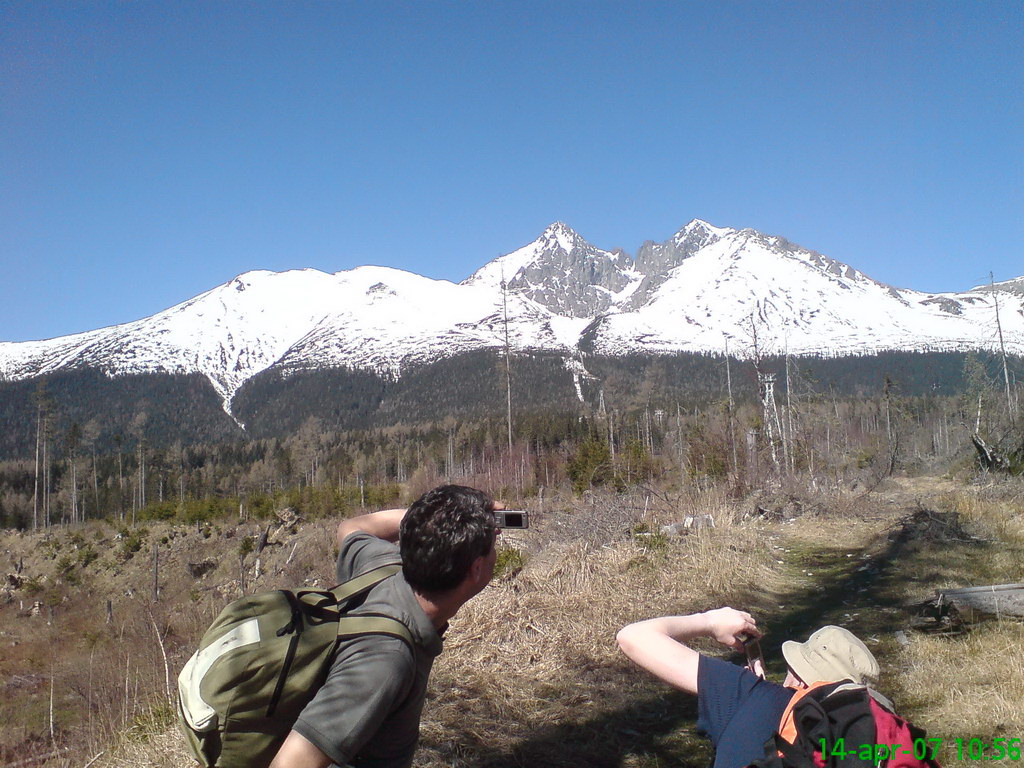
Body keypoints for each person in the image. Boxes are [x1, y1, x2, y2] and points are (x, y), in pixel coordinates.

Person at [270, 484, 502, 768]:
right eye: (493, 548)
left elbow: (352, 527)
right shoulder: (386, 661)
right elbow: (291, 763)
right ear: (476, 569)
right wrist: (447, 519)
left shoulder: (382, 565)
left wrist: (437, 519)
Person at [616, 607, 880, 768]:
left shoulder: (750, 696)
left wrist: (710, 621)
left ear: (800, 679)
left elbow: (634, 637)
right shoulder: (869, 737)